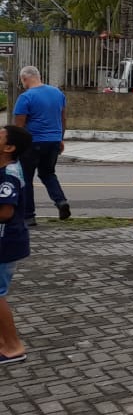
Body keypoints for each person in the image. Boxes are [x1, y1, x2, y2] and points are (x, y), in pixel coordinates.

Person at [12, 66, 71, 225]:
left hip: (33, 143)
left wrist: (16, 148)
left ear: (25, 79)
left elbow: (19, 127)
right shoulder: (57, 93)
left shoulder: (26, 97)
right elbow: (63, 119)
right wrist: (60, 139)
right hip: (53, 141)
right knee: (48, 174)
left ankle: (29, 216)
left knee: (26, 179)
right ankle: (61, 201)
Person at [0, 124, 32, 364]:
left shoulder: (9, 173)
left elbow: (5, 212)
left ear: (9, 147)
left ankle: (13, 347)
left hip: (6, 241)